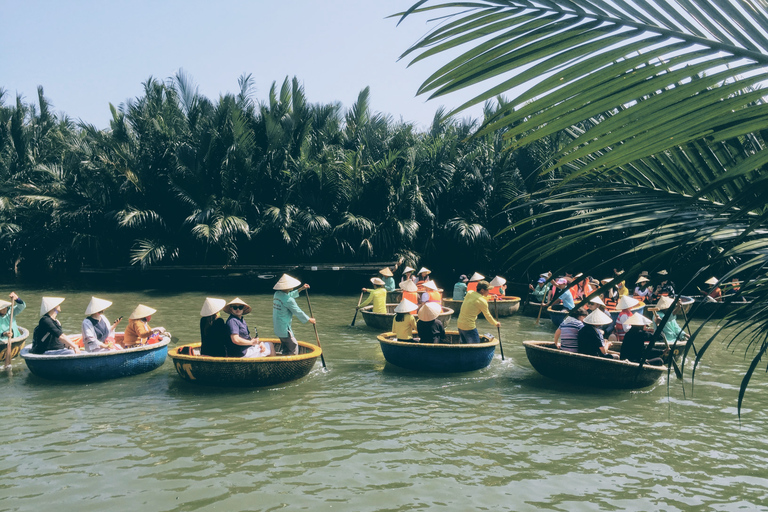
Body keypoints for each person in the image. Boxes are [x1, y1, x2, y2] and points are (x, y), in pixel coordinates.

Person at [273, 274, 316, 355]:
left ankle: (284, 360)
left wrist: (301, 289)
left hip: (278, 328)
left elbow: (288, 296)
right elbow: (298, 311)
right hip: (284, 329)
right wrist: (309, 319)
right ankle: (290, 365)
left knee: (286, 347)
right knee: (293, 346)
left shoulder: (277, 294)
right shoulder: (289, 300)